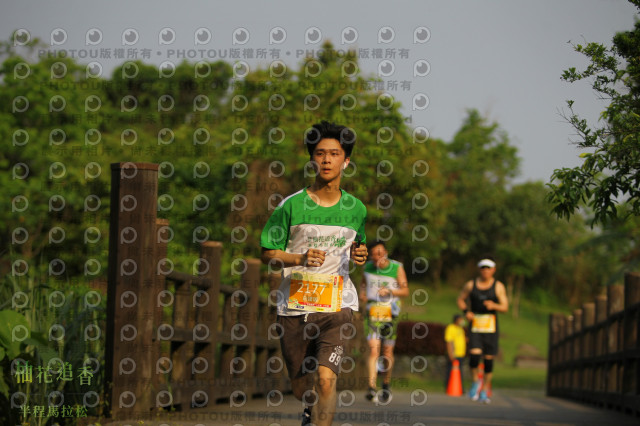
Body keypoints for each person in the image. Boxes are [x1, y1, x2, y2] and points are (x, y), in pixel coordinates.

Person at [260, 121, 368, 426]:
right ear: (312, 159)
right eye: (320, 153)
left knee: (326, 379)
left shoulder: (357, 209)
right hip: (295, 307)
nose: (327, 160)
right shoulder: (290, 206)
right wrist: (299, 258)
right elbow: (267, 252)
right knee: (302, 388)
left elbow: (357, 246)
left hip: (338, 305)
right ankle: (309, 408)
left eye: (334, 154)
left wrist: (359, 255)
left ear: (346, 161)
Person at [359, 240, 409, 404]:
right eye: (374, 255)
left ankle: (386, 384)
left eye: (379, 253)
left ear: (386, 253)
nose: (377, 257)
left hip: (390, 312)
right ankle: (371, 387)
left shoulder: (396, 267)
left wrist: (390, 291)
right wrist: (362, 294)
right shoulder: (367, 268)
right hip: (373, 312)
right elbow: (363, 285)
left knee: (387, 352)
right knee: (373, 349)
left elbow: (405, 290)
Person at [456, 256, 509, 404]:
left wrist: (494, 305)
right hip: (475, 325)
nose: (485, 271)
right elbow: (460, 299)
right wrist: (466, 312)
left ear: (493, 270)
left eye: (488, 268)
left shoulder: (498, 286)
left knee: (488, 361)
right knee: (474, 357)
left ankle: (485, 390)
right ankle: (475, 382)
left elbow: (505, 307)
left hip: (491, 327)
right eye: (483, 268)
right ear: (479, 269)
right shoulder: (471, 285)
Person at [444, 313, 466, 393]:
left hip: (460, 354)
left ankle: (459, 388)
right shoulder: (451, 328)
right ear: (456, 320)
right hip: (454, 354)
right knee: (451, 372)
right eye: (460, 319)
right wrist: (451, 354)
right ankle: (449, 387)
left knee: (459, 373)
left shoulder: (461, 329)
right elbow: (449, 341)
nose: (462, 321)